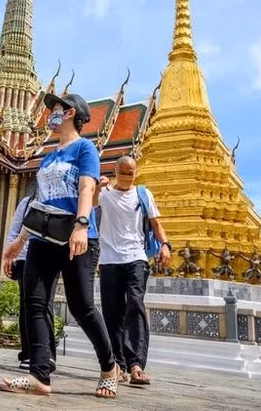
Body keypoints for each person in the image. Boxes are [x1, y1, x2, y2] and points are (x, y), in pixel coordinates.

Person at [2, 93, 119, 398]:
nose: (49, 115)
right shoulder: (50, 155)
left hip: (76, 236)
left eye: (54, 110)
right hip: (43, 236)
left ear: (69, 113)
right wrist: (19, 240)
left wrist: (81, 225)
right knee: (35, 302)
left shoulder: (85, 148)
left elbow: (86, 187)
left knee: (82, 306)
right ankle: (39, 375)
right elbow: (41, 203)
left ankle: (109, 366)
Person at [95, 156, 171, 385]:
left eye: (131, 173)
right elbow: (86, 204)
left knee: (135, 305)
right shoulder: (105, 195)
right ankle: (117, 364)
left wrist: (165, 245)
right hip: (109, 260)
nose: (128, 178)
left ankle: (136, 364)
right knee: (112, 313)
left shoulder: (143, 194)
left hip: (136, 258)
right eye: (124, 173)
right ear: (115, 172)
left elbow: (156, 223)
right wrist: (98, 186)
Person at [2, 195, 57, 372]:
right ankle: (28, 353)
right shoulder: (26, 202)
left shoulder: (58, 200)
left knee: (45, 304)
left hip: (50, 255)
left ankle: (47, 354)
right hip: (25, 257)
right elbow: (15, 229)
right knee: (27, 305)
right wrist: (11, 254)